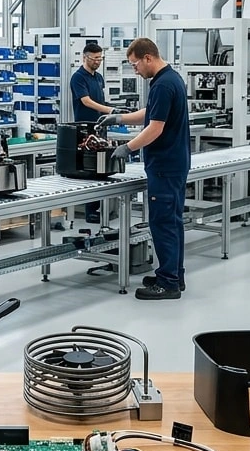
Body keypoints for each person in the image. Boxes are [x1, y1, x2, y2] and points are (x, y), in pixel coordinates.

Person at [96, 37, 189, 300]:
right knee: (173, 221)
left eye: (135, 64)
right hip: (174, 163)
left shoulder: (162, 84)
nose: (134, 70)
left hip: (165, 165)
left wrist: (129, 147)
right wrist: (119, 117)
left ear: (148, 58)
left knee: (163, 223)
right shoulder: (171, 79)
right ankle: (173, 274)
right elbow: (152, 113)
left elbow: (155, 127)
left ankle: (168, 283)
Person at [71, 42, 119, 224]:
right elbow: (86, 101)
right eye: (95, 58)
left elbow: (101, 99)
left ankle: (101, 206)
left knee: (102, 167)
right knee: (91, 168)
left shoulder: (99, 77)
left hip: (101, 126)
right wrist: (110, 111)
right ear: (85, 57)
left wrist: (111, 113)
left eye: (100, 58)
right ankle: (90, 211)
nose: (98, 62)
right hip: (86, 129)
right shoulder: (78, 78)